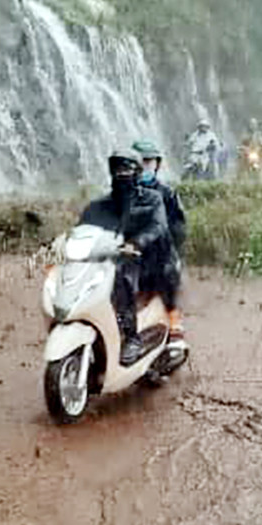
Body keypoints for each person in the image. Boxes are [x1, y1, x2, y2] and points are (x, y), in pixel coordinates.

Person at [79, 149, 170, 366]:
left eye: (127, 168)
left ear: (137, 172)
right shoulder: (101, 204)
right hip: (109, 255)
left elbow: (158, 226)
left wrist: (137, 242)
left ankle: (131, 337)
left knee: (122, 276)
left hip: (145, 257)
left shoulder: (152, 200)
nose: (122, 173)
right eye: (118, 168)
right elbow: (83, 228)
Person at [132, 139, 187, 340]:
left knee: (167, 274)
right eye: (142, 162)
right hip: (130, 253)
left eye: (150, 162)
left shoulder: (167, 193)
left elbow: (178, 227)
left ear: (157, 164)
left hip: (159, 254)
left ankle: (173, 318)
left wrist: (170, 247)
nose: (146, 166)